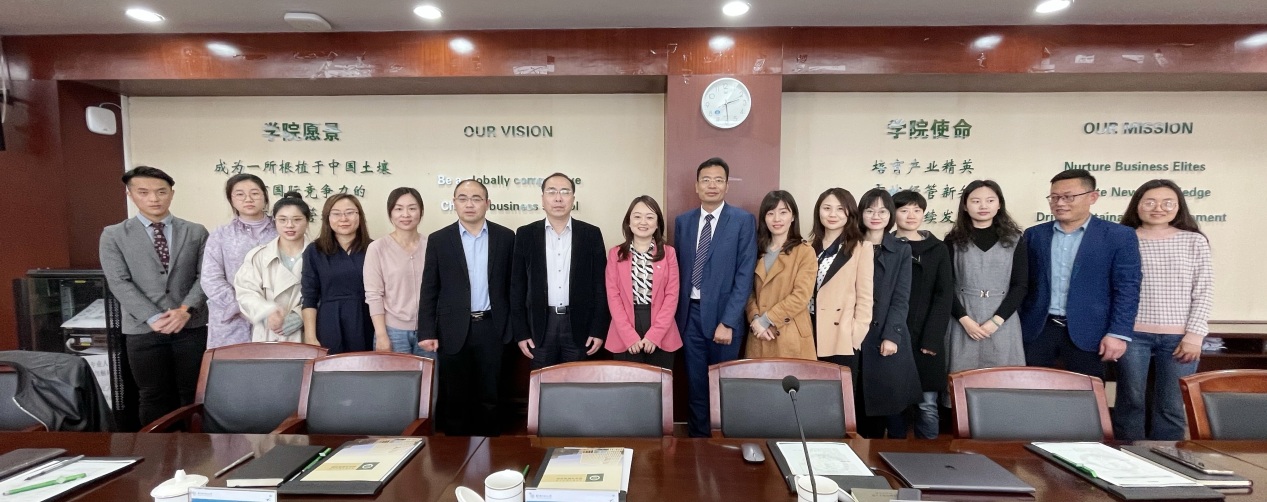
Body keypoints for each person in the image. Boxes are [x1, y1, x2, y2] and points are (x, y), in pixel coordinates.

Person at [99, 166, 209, 425]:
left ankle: (196, 447)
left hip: (190, 326)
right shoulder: (114, 235)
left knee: (193, 394)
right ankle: (158, 448)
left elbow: (206, 276)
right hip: (142, 329)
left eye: (161, 192)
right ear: (130, 195)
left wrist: (185, 310)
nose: (154, 198)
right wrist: (152, 316)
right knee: (153, 395)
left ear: (171, 193)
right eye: (144, 192)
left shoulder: (195, 231)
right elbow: (118, 281)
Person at [1113, 179, 1213, 440]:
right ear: (1137, 205)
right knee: (1131, 402)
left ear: (1179, 207)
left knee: (1171, 406)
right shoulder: (1123, 239)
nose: (1158, 208)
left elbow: (1204, 290)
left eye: (1167, 203)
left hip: (1179, 338)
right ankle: (1128, 456)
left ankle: (1167, 458)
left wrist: (1194, 336)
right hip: (1131, 335)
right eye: (1150, 202)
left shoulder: (1194, 241)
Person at [1020, 169, 1141, 379]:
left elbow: (1127, 288)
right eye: (1054, 197)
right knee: (1032, 389)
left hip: (1091, 332)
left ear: (1092, 197)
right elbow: (1024, 283)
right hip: (1039, 330)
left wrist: (1118, 333)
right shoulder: (1035, 235)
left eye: (1068, 197)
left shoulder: (1118, 236)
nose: (1059, 203)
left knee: (1087, 393)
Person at [418, 179, 515, 436]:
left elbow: (514, 287)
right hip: (452, 329)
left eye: (476, 198)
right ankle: (456, 456)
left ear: (487, 203)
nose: (469, 204)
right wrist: (426, 331)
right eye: (462, 198)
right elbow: (430, 288)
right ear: (454, 203)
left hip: (493, 327)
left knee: (491, 397)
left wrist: (513, 328)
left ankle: (490, 451)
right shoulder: (439, 240)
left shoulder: (506, 237)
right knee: (456, 400)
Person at [673, 157, 757, 438]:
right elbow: (679, 269)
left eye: (718, 180)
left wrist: (729, 321)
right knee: (695, 385)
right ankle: (698, 442)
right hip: (690, 317)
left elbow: (744, 274)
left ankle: (723, 445)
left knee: (722, 385)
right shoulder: (683, 221)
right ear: (696, 186)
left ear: (727, 186)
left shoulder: (743, 221)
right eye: (706, 180)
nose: (712, 185)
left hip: (724, 318)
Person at [511, 173, 610, 369]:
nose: (558, 198)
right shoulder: (525, 234)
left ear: (573, 198)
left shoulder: (591, 234)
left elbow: (600, 285)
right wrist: (521, 332)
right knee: (541, 381)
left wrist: (598, 329)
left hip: (578, 326)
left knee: (576, 383)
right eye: (551, 192)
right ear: (542, 199)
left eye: (565, 192)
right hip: (539, 326)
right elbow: (517, 287)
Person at [856, 188, 921, 439]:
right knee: (858, 410)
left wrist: (892, 335)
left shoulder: (901, 250)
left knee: (890, 408)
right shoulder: (850, 245)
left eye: (882, 211)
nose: (876, 216)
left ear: (890, 215)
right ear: (861, 213)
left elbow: (901, 298)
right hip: (854, 335)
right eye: (870, 210)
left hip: (885, 334)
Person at [944, 180, 1028, 373]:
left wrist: (996, 321)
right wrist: (964, 320)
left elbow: (1021, 285)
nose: (983, 206)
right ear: (965, 206)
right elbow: (945, 286)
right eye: (976, 201)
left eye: (990, 200)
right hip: (963, 319)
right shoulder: (952, 240)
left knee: (1003, 378)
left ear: (999, 205)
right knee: (961, 377)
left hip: (1003, 320)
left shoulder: (1015, 239)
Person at [891, 189, 953, 440]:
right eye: (904, 210)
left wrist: (932, 339)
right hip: (893, 334)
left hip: (926, 335)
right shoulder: (885, 245)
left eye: (917, 210)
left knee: (927, 404)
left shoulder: (937, 249)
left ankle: (929, 454)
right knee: (894, 403)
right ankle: (893, 453)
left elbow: (944, 296)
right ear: (893, 214)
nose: (911, 215)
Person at [604, 196, 681, 369]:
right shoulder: (616, 254)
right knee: (628, 384)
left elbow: (672, 296)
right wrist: (629, 336)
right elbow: (613, 297)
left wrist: (655, 335)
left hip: (661, 328)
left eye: (650, 217)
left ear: (657, 223)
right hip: (624, 327)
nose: (643, 222)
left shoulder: (669, 253)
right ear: (628, 222)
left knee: (659, 383)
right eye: (637, 216)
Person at [201, 174, 277, 348]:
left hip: (275, 317)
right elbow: (210, 278)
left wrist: (268, 310)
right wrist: (243, 306)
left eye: (255, 193)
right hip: (233, 320)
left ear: (265, 197)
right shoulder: (221, 234)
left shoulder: (282, 230)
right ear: (231, 200)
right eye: (240, 194)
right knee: (233, 363)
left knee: (275, 363)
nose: (248, 199)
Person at [744, 190, 816, 360]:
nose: (777, 219)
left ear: (793, 216)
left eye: (783, 212)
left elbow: (801, 296)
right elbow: (747, 290)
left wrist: (767, 319)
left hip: (790, 335)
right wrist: (755, 318)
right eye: (770, 213)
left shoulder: (805, 251)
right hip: (759, 333)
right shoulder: (756, 250)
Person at [809, 188, 874, 373]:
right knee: (810, 386)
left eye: (840, 209)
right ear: (818, 211)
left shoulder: (861, 248)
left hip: (840, 333)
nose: (832, 214)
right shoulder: (808, 247)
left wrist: (856, 334)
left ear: (849, 213)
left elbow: (865, 296)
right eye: (827, 208)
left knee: (839, 388)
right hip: (808, 328)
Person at [234, 192, 312, 343]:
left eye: (297, 219)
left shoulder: (321, 255)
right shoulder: (258, 256)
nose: (289, 225)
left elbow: (329, 294)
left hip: (306, 334)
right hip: (268, 334)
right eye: (282, 220)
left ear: (307, 221)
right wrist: (266, 312)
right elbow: (245, 292)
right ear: (274, 221)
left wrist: (301, 315)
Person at [301, 194, 374, 354]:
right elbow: (309, 297)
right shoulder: (314, 251)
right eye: (336, 213)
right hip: (329, 322)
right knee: (331, 367)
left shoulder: (374, 248)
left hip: (366, 320)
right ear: (327, 218)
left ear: (360, 216)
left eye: (350, 212)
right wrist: (310, 336)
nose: (343, 219)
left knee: (366, 367)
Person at [364, 187, 432, 357]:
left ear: (421, 212)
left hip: (428, 331)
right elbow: (374, 295)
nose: (406, 214)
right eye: (399, 209)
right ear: (390, 213)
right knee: (396, 375)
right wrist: (381, 335)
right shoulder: (377, 248)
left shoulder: (432, 245)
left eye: (412, 208)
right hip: (393, 332)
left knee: (430, 375)